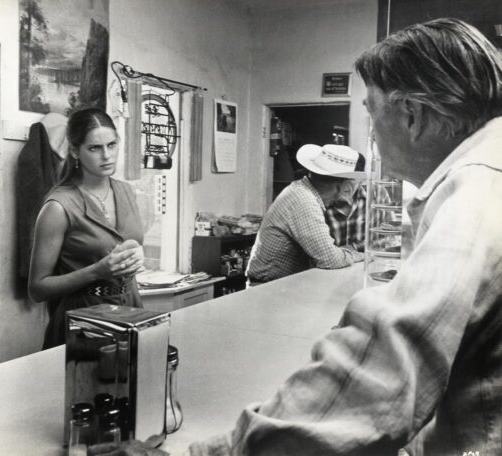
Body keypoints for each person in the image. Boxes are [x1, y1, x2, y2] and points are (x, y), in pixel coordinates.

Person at [188, 18, 502, 455]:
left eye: (372, 112)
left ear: (412, 115)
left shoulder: (480, 185)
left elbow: (388, 365)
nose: (371, 135)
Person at [28, 108, 145, 349]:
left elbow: (128, 245)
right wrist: (96, 271)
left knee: (133, 382)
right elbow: (37, 289)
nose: (107, 156)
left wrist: (137, 253)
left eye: (112, 145)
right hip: (82, 320)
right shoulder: (59, 207)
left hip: (130, 308)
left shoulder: (126, 191)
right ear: (74, 151)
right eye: (94, 148)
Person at [246, 144, 365, 284]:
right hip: (267, 287)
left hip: (280, 284)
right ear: (340, 186)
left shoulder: (301, 191)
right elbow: (331, 260)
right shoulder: (303, 200)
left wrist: (343, 252)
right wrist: (361, 255)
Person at [324, 179, 367, 251]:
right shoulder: (316, 202)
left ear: (360, 181)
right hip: (333, 261)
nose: (345, 186)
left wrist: (353, 248)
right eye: (341, 179)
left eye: (351, 180)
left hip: (369, 260)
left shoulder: (377, 194)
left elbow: (390, 239)